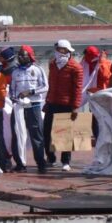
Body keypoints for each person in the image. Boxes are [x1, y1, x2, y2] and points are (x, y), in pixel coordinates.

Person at [44, 39, 83, 171]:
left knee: (65, 133)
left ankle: (65, 161)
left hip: (66, 104)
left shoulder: (75, 67)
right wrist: (47, 100)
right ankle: (51, 158)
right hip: (52, 102)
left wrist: (75, 106)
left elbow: (78, 88)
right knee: (47, 132)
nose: (58, 52)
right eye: (57, 49)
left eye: (61, 49)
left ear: (67, 50)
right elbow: (51, 84)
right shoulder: (53, 64)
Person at [9, 45, 49, 173]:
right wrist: (14, 98)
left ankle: (40, 163)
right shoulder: (15, 72)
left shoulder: (37, 70)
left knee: (36, 135)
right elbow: (12, 89)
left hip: (34, 105)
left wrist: (30, 92)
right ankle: (20, 163)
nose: (20, 58)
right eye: (19, 55)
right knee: (18, 134)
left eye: (23, 55)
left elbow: (45, 87)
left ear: (30, 56)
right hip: (19, 106)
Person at [80, 46, 112, 145]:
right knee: (94, 117)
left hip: (104, 94)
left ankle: (105, 138)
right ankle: (98, 137)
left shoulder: (104, 63)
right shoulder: (85, 63)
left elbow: (105, 76)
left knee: (104, 118)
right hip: (92, 95)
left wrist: (102, 61)